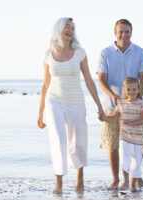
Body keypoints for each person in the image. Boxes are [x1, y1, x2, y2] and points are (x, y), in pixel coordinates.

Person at [37, 17, 104, 194]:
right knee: (57, 139)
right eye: (67, 27)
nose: (70, 30)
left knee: (78, 140)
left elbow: (89, 80)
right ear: (58, 29)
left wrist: (99, 106)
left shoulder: (80, 52)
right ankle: (58, 181)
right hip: (54, 101)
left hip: (76, 101)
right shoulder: (48, 54)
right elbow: (45, 84)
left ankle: (79, 175)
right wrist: (40, 112)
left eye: (72, 28)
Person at [97, 19, 143, 190]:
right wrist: (112, 94)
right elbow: (101, 79)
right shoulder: (105, 53)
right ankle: (116, 179)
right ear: (115, 33)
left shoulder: (140, 52)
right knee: (113, 145)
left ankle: (134, 177)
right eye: (121, 32)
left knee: (134, 144)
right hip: (112, 106)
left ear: (131, 33)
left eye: (127, 31)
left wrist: (138, 99)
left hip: (133, 106)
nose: (124, 35)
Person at [101, 77, 143, 192]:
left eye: (133, 89)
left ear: (138, 90)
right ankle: (125, 181)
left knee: (136, 162)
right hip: (124, 137)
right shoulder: (121, 104)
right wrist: (104, 117)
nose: (131, 92)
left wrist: (131, 122)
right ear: (124, 90)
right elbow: (113, 118)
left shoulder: (142, 104)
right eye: (128, 89)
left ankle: (132, 184)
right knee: (124, 157)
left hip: (137, 140)